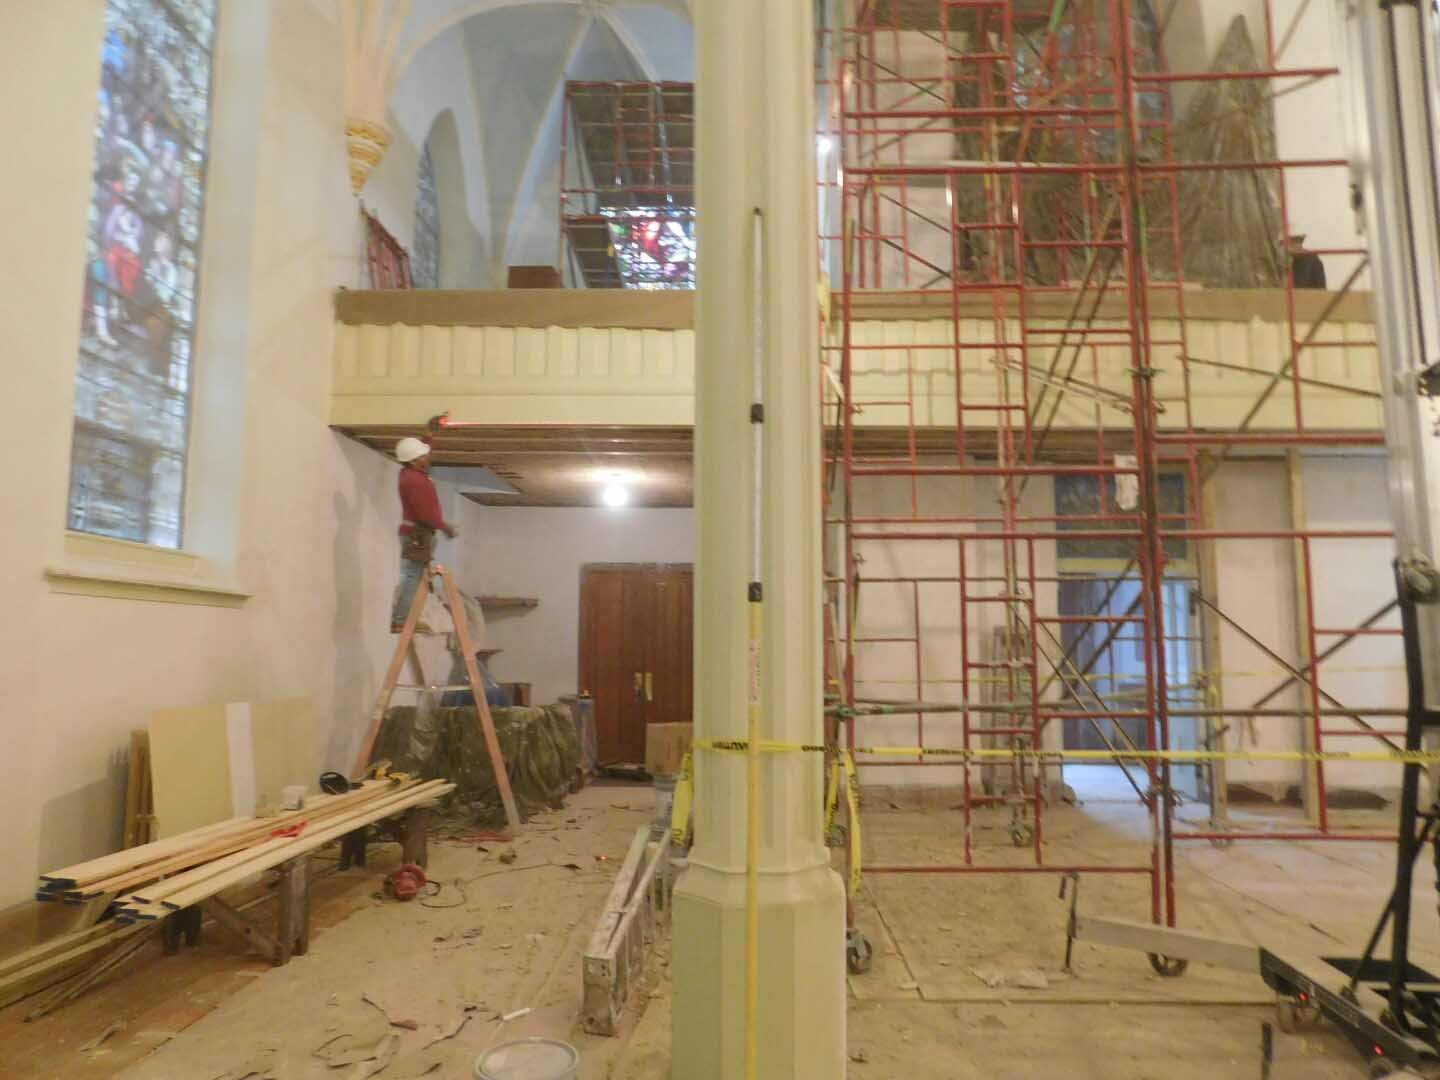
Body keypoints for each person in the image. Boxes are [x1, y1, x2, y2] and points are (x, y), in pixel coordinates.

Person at [391, 433, 457, 632]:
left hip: (414, 534)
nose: (428, 458)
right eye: (423, 456)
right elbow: (425, 514)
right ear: (413, 461)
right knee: (414, 577)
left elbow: (419, 453)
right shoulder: (416, 482)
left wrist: (429, 436)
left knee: (414, 576)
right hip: (418, 535)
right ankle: (401, 619)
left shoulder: (409, 473)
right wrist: (445, 527)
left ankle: (405, 616)